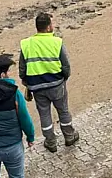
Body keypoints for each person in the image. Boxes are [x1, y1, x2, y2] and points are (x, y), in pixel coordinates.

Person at [18, 12, 79, 153]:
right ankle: (69, 136)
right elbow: (66, 66)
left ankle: (50, 142)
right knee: (63, 110)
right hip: (57, 84)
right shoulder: (57, 42)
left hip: (37, 87)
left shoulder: (26, 44)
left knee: (44, 114)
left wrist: (26, 82)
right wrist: (64, 78)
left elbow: (22, 68)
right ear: (48, 27)